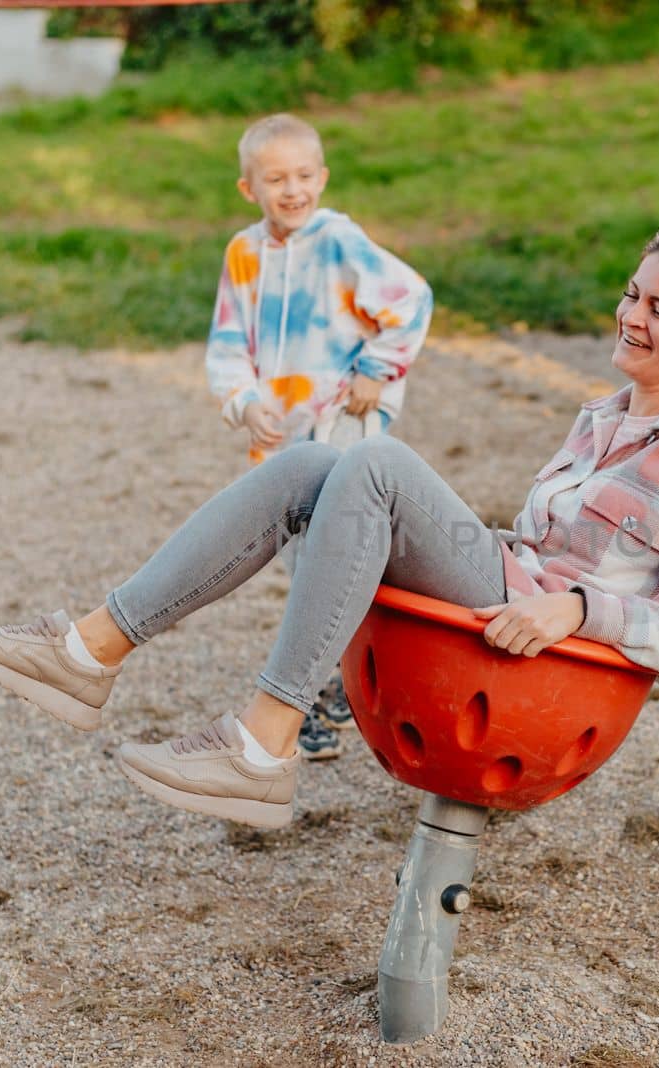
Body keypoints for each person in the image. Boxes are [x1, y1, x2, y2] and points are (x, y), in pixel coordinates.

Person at [0, 223, 659, 830]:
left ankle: (265, 743)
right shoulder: (605, 416)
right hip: (512, 599)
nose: (631, 315)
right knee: (310, 467)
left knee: (377, 464)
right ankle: (89, 651)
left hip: (549, 658)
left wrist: (580, 611)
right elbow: (546, 550)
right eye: (632, 293)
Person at [207, 113, 434, 759]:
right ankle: (349, 678)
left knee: (328, 559)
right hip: (281, 432)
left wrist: (376, 369)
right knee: (300, 558)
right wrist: (243, 402)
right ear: (248, 188)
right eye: (276, 178)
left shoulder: (338, 240)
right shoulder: (243, 254)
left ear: (323, 177)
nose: (293, 189)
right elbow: (227, 344)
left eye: (305, 175)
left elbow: (411, 300)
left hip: (341, 419)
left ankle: (305, 697)